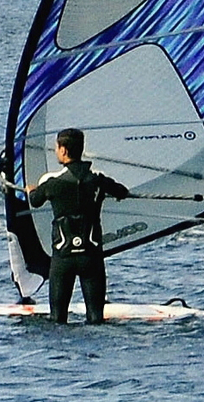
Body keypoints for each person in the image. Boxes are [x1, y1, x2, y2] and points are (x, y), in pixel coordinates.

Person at [24, 128, 131, 324]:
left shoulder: (52, 183)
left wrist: (32, 190)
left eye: (56, 148)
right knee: (96, 319)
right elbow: (122, 191)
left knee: (57, 319)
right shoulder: (98, 180)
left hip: (63, 258)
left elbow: (35, 200)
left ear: (63, 150)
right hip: (91, 257)